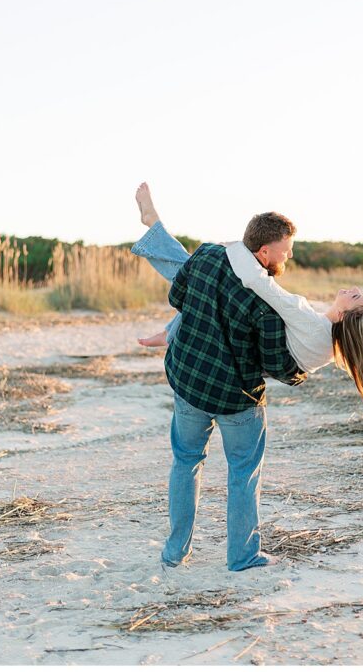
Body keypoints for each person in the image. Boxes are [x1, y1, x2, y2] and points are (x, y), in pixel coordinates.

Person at [129, 185, 307, 571]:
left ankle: (175, 553)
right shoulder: (268, 298)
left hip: (190, 384)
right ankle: (242, 557)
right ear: (264, 253)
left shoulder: (209, 254)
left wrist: (184, 324)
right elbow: (276, 363)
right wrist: (301, 372)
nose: (289, 254)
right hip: (237, 399)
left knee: (185, 463)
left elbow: (179, 297)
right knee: (243, 472)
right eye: (286, 248)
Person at [132, 182, 363, 415]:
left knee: (204, 277)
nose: (351, 288)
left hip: (257, 346)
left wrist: (228, 249)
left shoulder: (308, 321)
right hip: (265, 354)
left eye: (355, 296)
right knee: (208, 284)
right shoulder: (333, 344)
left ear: (344, 315)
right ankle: (170, 331)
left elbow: (258, 282)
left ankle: (154, 228)